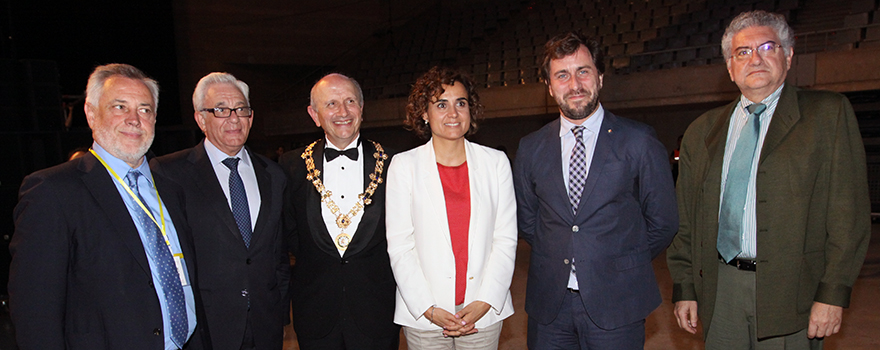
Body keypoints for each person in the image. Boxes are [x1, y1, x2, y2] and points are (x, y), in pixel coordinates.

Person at [667, 10, 870, 349]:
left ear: (788, 56)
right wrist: (685, 288)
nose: (755, 59)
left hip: (793, 292)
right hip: (721, 289)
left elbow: (848, 215)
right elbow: (685, 219)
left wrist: (832, 293)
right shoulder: (702, 131)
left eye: (767, 47)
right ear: (730, 68)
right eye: (742, 52)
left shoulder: (827, 114)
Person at [9, 63, 208, 349]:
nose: (134, 119)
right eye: (119, 107)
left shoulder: (171, 189)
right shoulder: (53, 191)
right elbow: (35, 312)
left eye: (145, 109)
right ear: (91, 113)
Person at [513, 31, 678, 349]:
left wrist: (620, 262)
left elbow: (663, 221)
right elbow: (528, 220)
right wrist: (566, 248)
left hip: (618, 303)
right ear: (549, 86)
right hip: (550, 307)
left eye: (583, 71)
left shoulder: (639, 140)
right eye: (562, 75)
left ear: (600, 77)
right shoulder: (530, 147)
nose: (574, 84)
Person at [151, 72, 290, 350]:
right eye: (221, 110)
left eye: (241, 109)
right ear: (201, 119)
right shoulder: (167, 174)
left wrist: (279, 307)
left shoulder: (274, 174)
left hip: (266, 324)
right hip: (204, 328)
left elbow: (278, 252)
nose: (234, 118)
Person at [385, 66, 517, 349]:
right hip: (424, 314)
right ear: (424, 113)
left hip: (482, 313)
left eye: (461, 103)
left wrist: (485, 301)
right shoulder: (403, 167)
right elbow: (400, 246)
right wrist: (428, 308)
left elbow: (505, 239)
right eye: (441, 104)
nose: (453, 114)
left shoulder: (496, 164)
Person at [279, 73, 399, 349]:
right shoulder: (291, 165)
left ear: (362, 107)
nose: (343, 112)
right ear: (314, 114)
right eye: (331, 103)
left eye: (350, 101)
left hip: (377, 311)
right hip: (315, 311)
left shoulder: (395, 162)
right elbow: (291, 234)